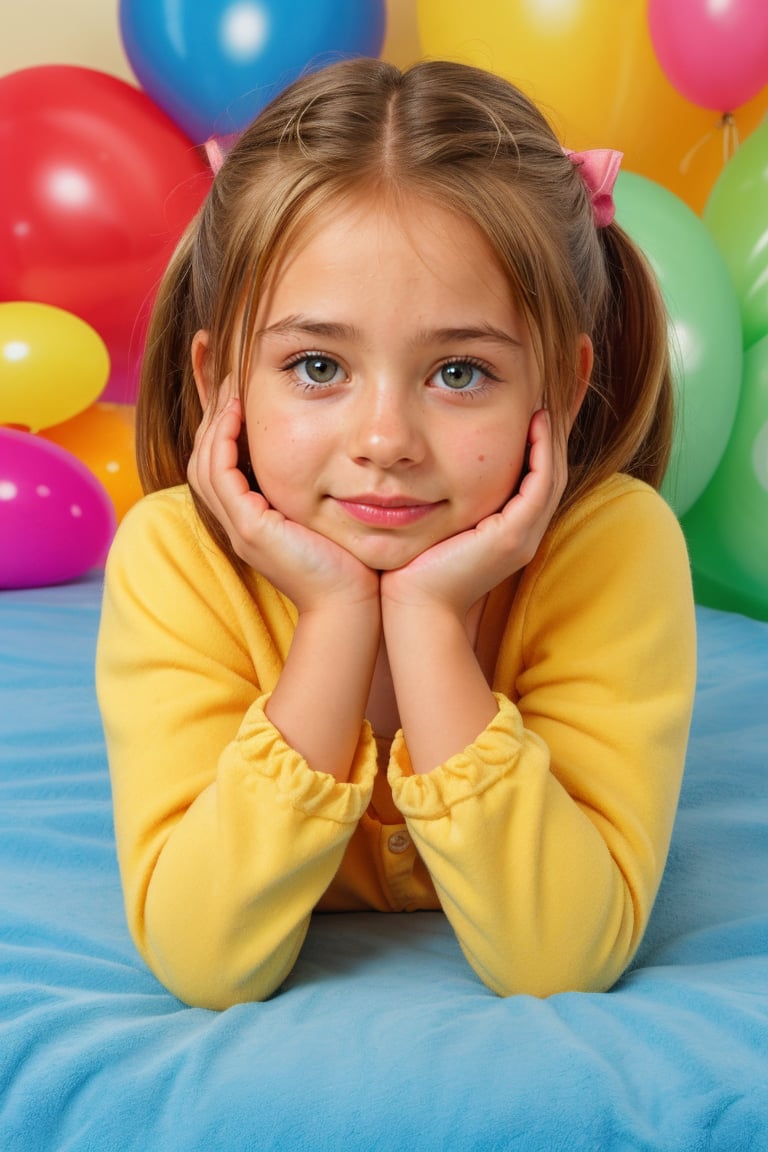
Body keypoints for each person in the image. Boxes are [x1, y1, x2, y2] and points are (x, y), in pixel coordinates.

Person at [95, 57, 697, 1010]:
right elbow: (204, 958)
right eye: (318, 365)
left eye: (459, 373)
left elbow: (559, 957)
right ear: (220, 384)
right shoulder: (176, 560)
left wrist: (425, 621)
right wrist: (335, 617)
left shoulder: (614, 548)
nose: (385, 442)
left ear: (565, 388)